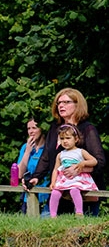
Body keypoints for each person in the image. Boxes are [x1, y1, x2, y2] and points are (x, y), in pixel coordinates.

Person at [25, 88, 105, 216]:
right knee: (47, 228)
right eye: (59, 103)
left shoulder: (87, 129)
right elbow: (46, 157)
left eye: (66, 102)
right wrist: (35, 177)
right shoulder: (54, 128)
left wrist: (79, 168)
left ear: (77, 104)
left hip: (83, 194)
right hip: (59, 191)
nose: (61, 105)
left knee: (80, 233)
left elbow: (100, 162)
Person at [48, 124, 98, 218]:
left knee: (74, 190)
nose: (65, 141)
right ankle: (53, 215)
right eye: (62, 138)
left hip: (77, 178)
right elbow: (56, 169)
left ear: (76, 139)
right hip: (64, 179)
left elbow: (94, 161)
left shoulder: (80, 151)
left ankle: (79, 212)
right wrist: (53, 182)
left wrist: (83, 163)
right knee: (55, 192)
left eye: (68, 138)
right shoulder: (60, 155)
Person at [17, 118, 49, 215]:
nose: (31, 131)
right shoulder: (25, 147)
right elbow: (19, 174)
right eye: (28, 128)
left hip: (46, 196)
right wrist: (27, 152)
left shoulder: (49, 148)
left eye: (34, 128)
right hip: (28, 195)